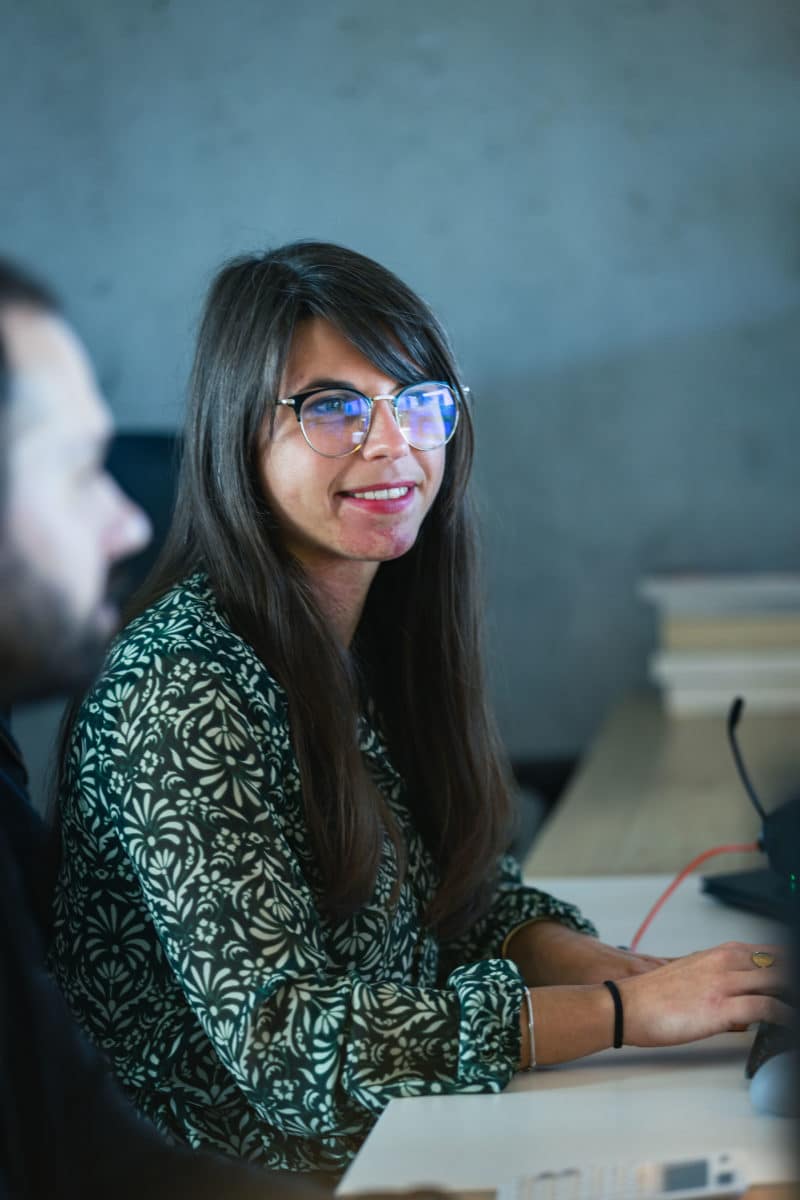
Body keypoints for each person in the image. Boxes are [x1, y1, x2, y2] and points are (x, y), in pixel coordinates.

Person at [49, 241, 792, 1181]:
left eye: (419, 402)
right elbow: (290, 1044)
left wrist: (615, 970)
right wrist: (618, 1017)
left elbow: (454, 896)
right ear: (238, 430)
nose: (393, 443)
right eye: (333, 409)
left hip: (390, 1147)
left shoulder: (369, 632)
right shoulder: (183, 684)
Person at [0, 257, 344, 1198]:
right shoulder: (178, 673)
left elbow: (83, 1147)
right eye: (76, 473)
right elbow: (288, 1040)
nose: (124, 521)